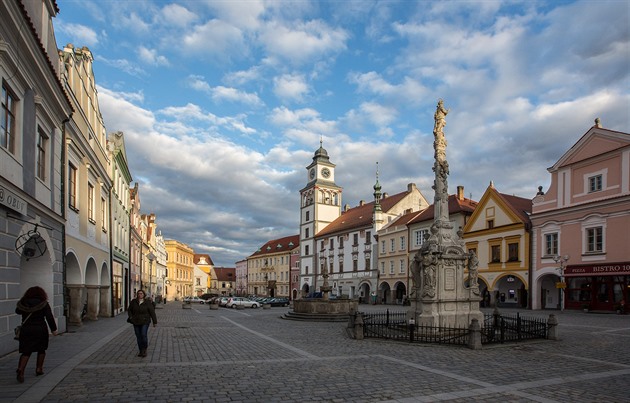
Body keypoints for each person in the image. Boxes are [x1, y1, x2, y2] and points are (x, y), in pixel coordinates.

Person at [15, 286, 58, 383]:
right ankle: (39, 369)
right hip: (40, 329)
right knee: (41, 349)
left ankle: (21, 369)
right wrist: (54, 329)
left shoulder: (23, 303)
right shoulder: (43, 304)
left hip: (26, 329)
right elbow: (49, 317)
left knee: (26, 351)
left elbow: (17, 311)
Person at [127, 290, 157, 357]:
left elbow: (152, 312)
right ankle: (141, 350)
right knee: (138, 336)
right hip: (136, 321)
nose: (140, 295)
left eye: (141, 293)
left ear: (144, 294)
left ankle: (144, 349)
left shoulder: (147, 302)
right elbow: (129, 310)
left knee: (143, 335)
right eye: (138, 294)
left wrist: (154, 322)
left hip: (145, 321)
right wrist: (131, 317)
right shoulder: (133, 302)